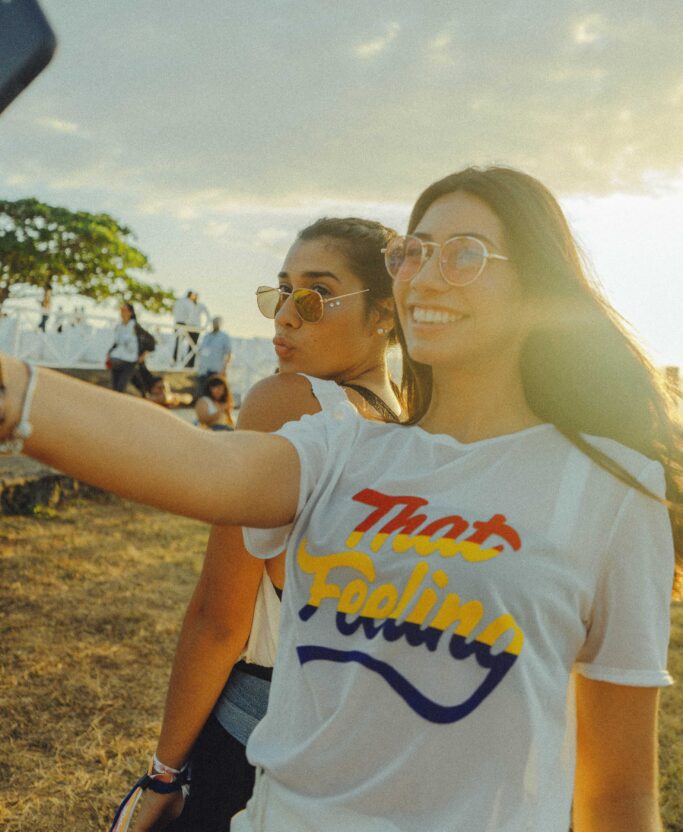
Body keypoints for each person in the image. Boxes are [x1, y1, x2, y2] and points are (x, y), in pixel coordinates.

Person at [0, 166, 680, 832]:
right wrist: (14, 392)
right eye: (410, 253)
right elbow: (201, 462)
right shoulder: (344, 448)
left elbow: (617, 794)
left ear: (537, 287)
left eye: (464, 254)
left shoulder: (610, 489)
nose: (422, 274)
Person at [127, 217, 402, 832]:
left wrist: (164, 772)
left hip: (256, 734)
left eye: (314, 296)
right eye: (281, 292)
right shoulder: (406, 421)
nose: (284, 315)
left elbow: (220, 619)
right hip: (351, 745)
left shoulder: (286, 401)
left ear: (384, 313)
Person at [106, 302, 142, 393]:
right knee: (115, 388)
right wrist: (109, 353)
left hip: (130, 361)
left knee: (120, 387)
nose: (122, 312)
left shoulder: (135, 326)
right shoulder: (119, 326)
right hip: (117, 359)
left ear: (131, 312)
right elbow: (116, 343)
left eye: (125, 310)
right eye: (121, 310)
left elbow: (149, 341)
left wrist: (143, 355)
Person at [195, 316, 233, 399]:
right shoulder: (206, 336)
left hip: (217, 369)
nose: (215, 325)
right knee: (203, 392)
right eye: (214, 323)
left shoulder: (224, 337)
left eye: (217, 323)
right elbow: (201, 351)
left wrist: (225, 368)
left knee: (215, 394)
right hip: (204, 370)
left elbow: (229, 353)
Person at [172, 291, 195, 364]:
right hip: (185, 324)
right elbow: (191, 315)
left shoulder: (178, 301)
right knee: (188, 342)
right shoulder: (189, 303)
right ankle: (180, 360)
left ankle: (175, 359)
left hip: (177, 323)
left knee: (177, 342)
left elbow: (174, 310)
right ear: (191, 295)